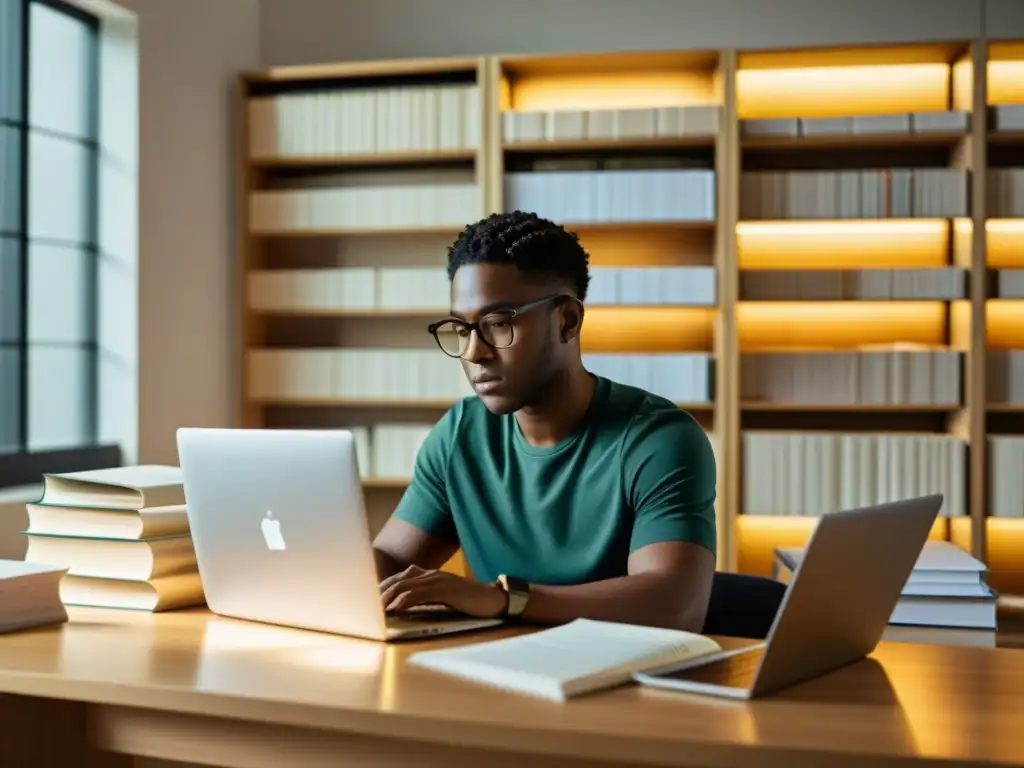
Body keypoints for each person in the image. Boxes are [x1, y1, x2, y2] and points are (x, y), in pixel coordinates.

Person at [373, 211, 717, 632]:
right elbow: (389, 560)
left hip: (621, 685)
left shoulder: (658, 440)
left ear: (567, 321)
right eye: (462, 329)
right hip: (493, 678)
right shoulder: (460, 435)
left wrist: (501, 599)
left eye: (498, 324)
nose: (473, 353)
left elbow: (674, 605)